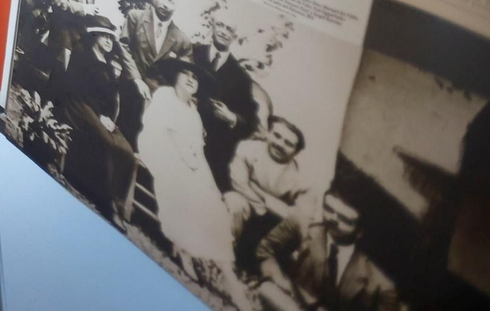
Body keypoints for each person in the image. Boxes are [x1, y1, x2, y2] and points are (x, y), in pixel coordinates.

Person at [141, 61, 254, 310]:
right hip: (162, 154)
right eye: (186, 74)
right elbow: (157, 131)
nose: (191, 79)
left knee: (213, 205)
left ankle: (231, 281)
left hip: (190, 164)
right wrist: (183, 158)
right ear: (176, 76)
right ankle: (184, 252)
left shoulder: (194, 109)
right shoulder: (164, 95)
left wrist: (209, 183)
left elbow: (198, 152)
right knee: (185, 192)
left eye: (195, 77)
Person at [257, 189, 402, 311]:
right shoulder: (300, 225)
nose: (332, 219)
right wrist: (279, 279)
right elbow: (265, 250)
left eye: (344, 218)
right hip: (284, 305)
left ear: (360, 232)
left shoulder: (380, 284)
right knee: (268, 290)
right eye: (329, 209)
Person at [57, 15, 138, 225]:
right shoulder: (82, 55)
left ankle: (119, 203)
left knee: (127, 152)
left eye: (112, 38)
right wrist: (99, 116)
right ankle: (106, 201)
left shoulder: (110, 66)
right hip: (78, 105)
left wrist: (109, 118)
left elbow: (111, 99)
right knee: (105, 142)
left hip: (100, 114)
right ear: (94, 37)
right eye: (104, 37)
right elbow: (76, 88)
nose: (109, 42)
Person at [226, 116, 309, 264]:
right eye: (277, 136)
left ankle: (251, 268)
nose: (280, 144)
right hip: (244, 203)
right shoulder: (248, 148)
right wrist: (264, 206)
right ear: (269, 133)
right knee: (234, 202)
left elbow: (293, 215)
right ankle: (224, 254)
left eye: (288, 144)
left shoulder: (298, 178)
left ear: (296, 152)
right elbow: (238, 183)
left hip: (270, 223)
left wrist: (257, 190)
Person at [116, 0, 187, 147]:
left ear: (177, 5)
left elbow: (183, 76)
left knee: (145, 146)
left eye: (171, 0)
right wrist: (137, 79)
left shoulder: (182, 39)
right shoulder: (136, 17)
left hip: (157, 102)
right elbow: (123, 46)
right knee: (120, 138)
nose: (165, 3)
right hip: (129, 88)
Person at [195, 19, 260, 192]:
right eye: (221, 25)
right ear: (213, 26)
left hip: (208, 150)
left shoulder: (241, 78)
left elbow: (250, 123)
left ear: (234, 37)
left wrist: (231, 117)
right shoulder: (193, 52)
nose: (224, 31)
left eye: (229, 28)